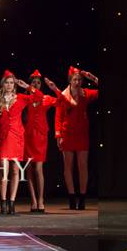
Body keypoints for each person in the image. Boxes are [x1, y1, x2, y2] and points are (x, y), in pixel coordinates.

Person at [0, 70, 44, 215]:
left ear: (14, 85)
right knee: (3, 170)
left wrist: (28, 86)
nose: (9, 85)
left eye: (12, 83)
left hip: (17, 137)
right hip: (2, 138)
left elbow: (39, 96)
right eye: (7, 82)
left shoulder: (21, 98)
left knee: (15, 170)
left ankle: (12, 202)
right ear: (3, 84)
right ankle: (3, 202)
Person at [55, 66, 99, 211]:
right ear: (70, 80)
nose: (77, 82)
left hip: (82, 133)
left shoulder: (85, 93)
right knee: (68, 166)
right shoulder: (63, 95)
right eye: (74, 79)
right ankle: (72, 197)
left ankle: (82, 198)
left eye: (79, 79)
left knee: (82, 166)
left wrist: (94, 79)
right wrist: (58, 135)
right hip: (67, 133)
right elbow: (58, 116)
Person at [24, 69, 62, 213]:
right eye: (33, 82)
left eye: (38, 83)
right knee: (28, 169)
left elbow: (62, 102)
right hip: (27, 135)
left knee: (38, 168)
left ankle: (40, 200)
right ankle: (33, 200)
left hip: (40, 136)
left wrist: (55, 89)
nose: (36, 85)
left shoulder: (45, 98)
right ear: (29, 84)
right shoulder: (24, 98)